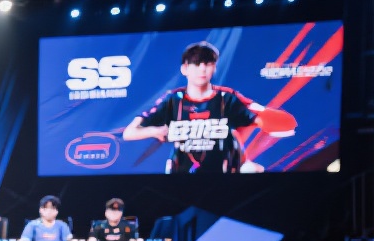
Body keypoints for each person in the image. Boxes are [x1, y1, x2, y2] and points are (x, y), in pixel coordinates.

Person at [123, 39, 293, 175]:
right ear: (184, 69)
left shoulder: (228, 98)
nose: (202, 69)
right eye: (196, 64)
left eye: (208, 63)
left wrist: (265, 120)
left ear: (214, 67)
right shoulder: (172, 100)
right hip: (181, 176)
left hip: (226, 176)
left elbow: (264, 119)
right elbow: (129, 133)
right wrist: (154, 131)